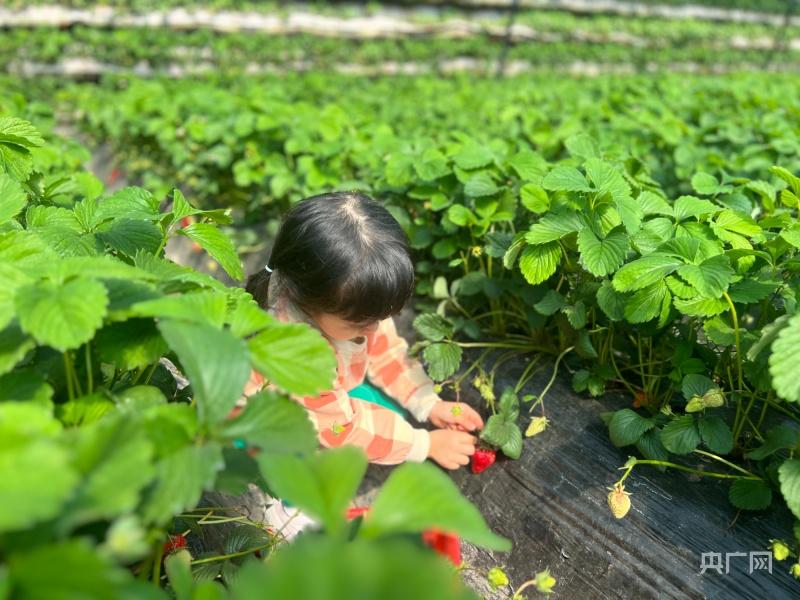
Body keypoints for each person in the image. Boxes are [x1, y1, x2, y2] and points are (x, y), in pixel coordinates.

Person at [243, 191, 484, 471]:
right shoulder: (298, 354)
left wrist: (429, 404)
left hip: (321, 403)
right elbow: (342, 430)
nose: (374, 330)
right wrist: (425, 444)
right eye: (359, 323)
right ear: (309, 301)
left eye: (381, 317)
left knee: (389, 419)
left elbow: (386, 352)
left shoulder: (352, 305)